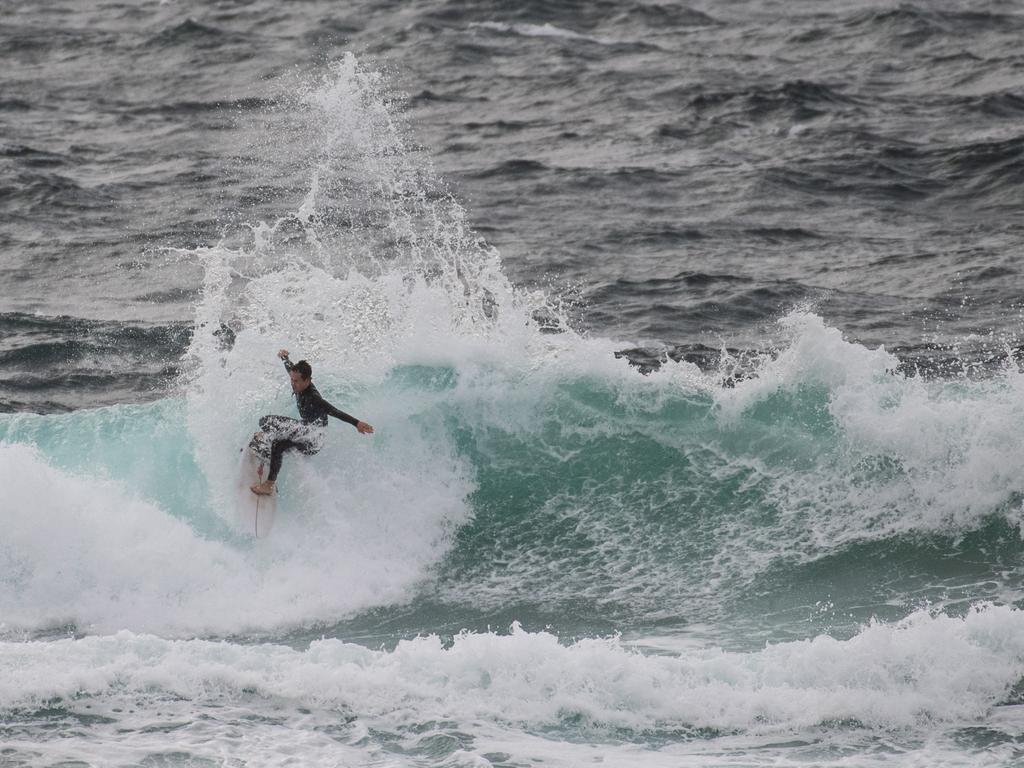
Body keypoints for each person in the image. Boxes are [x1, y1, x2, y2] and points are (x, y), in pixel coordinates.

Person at [249, 349, 374, 495]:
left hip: (313, 440)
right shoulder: (297, 379)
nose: (293, 384)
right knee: (265, 422)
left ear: (307, 380)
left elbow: (334, 411)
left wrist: (356, 423)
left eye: (296, 381)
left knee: (279, 444)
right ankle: (269, 451)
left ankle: (269, 485)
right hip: (304, 428)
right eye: (292, 380)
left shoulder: (314, 398)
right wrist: (285, 357)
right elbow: (290, 369)